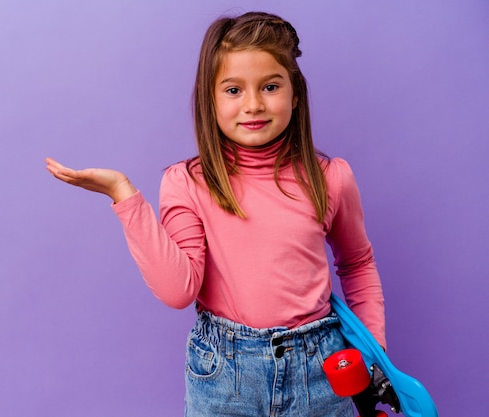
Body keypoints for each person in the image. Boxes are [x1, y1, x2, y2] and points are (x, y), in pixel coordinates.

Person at [46, 11, 385, 417]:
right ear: (210, 98)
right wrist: (124, 196)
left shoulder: (331, 178)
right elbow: (178, 291)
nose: (254, 104)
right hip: (225, 376)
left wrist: (375, 355)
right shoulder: (186, 182)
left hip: (320, 370)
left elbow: (358, 262)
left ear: (295, 94)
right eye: (233, 90)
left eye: (271, 86)